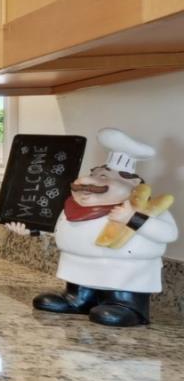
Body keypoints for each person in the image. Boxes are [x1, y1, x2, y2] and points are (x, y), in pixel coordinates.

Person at [27, 129, 177, 327]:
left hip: (127, 274)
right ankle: (78, 299)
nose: (88, 182)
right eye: (94, 174)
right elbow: (54, 228)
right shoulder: (73, 207)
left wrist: (133, 218)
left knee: (122, 292)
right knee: (78, 287)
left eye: (104, 177)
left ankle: (127, 306)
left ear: (133, 184)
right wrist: (32, 230)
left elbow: (169, 234)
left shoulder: (146, 208)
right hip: (78, 268)